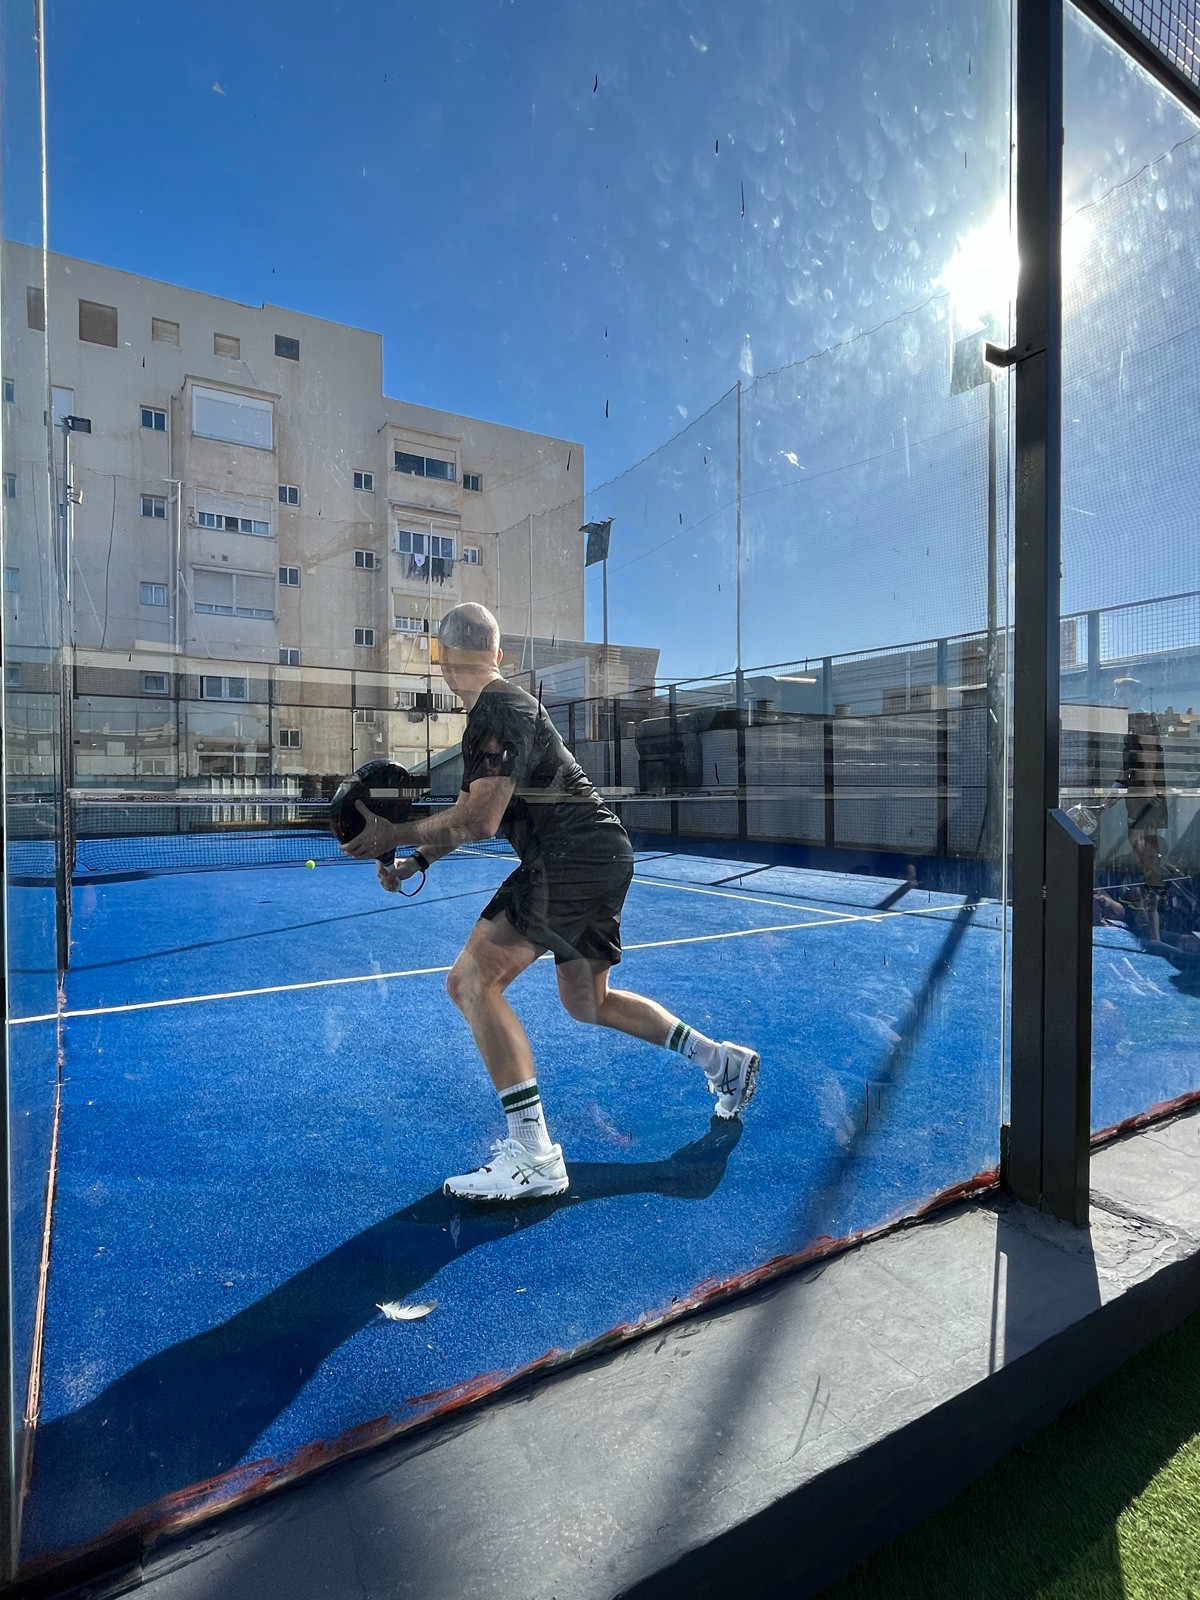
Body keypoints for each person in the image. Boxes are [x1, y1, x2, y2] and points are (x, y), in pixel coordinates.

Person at [340, 601, 760, 1202]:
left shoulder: (498, 708)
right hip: (597, 854)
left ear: (443, 659)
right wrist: (415, 860)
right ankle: (720, 1061)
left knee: (471, 982)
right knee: (588, 1001)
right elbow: (473, 812)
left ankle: (534, 1154)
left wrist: (393, 835)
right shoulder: (499, 710)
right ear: (498, 653)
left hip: (570, 856)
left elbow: (481, 820)